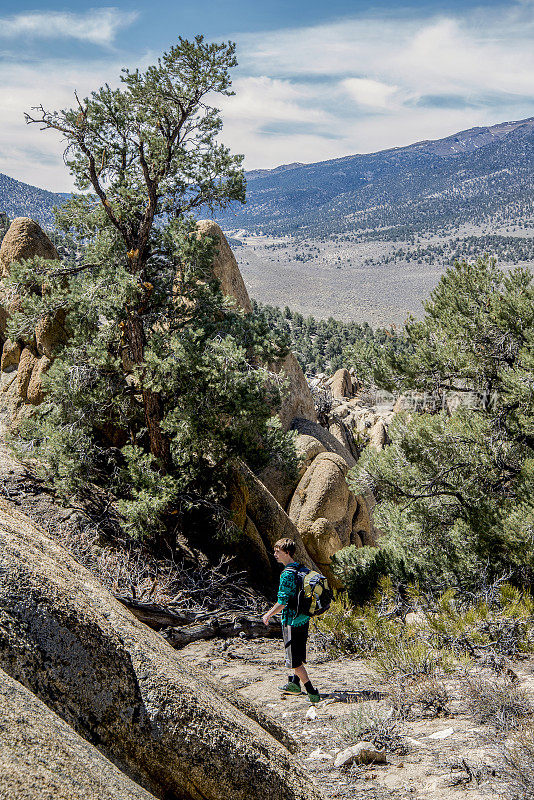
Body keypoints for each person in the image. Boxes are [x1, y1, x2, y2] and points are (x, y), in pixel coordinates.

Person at [262, 537, 320, 703]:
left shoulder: (287, 574)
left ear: (287, 553)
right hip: (303, 618)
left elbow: (282, 602)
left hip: (291, 621)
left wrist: (268, 615)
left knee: (294, 662)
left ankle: (312, 691)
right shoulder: (301, 568)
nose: (275, 554)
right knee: (298, 654)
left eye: (278, 552)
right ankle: (294, 684)